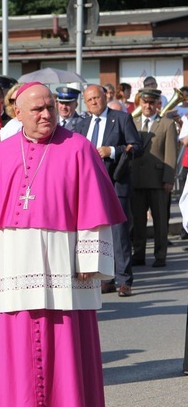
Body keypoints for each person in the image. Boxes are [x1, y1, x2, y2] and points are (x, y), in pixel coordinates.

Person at [0, 82, 125, 407]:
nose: (46, 115)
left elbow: (94, 214)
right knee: (18, 340)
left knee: (65, 339)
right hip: (16, 261)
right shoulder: (0, 154)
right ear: (16, 113)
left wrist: (89, 256)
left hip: (63, 262)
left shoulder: (79, 149)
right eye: (37, 109)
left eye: (50, 107)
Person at [74, 85, 142, 297]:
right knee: (98, 231)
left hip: (115, 182)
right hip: (89, 185)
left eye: (97, 97)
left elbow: (136, 146)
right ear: (85, 103)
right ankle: (107, 278)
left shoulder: (121, 118)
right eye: (90, 99)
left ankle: (124, 280)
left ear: (105, 97)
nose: (94, 102)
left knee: (119, 233)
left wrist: (111, 150)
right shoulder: (82, 124)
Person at [130, 89, 177, 268]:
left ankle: (160, 255)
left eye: (151, 103)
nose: (147, 106)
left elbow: (171, 154)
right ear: (140, 103)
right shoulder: (132, 122)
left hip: (158, 180)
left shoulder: (167, 124)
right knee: (138, 221)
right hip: (136, 179)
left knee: (160, 221)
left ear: (157, 104)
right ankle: (139, 254)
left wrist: (169, 179)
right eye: (144, 102)